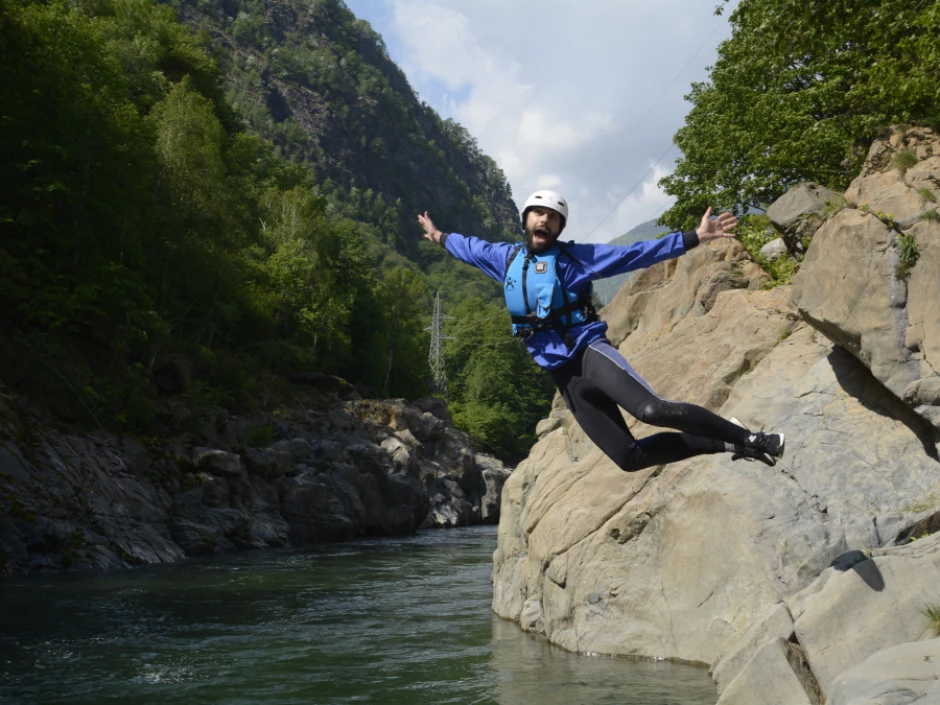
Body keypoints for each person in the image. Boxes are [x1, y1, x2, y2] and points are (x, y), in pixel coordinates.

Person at [416, 190, 785, 471]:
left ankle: (749, 436)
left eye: (553, 217)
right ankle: (732, 444)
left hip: (589, 352)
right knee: (628, 457)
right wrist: (438, 236)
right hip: (563, 373)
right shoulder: (506, 259)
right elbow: (467, 247)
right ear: (526, 220)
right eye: (538, 214)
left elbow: (635, 254)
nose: (544, 221)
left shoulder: (576, 258)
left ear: (560, 228)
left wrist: (693, 237)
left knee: (652, 411)